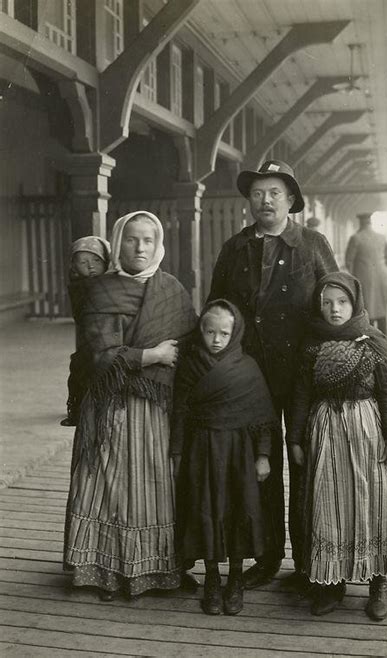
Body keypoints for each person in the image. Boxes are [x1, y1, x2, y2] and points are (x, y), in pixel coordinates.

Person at [207, 160, 338, 590]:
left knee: (304, 461)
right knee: (258, 466)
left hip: (304, 375)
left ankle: (308, 561)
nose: (265, 201)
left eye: (275, 193)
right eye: (258, 193)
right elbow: (217, 310)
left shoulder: (313, 244)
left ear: (291, 201)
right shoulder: (235, 248)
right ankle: (264, 557)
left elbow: (337, 302)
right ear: (249, 200)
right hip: (251, 377)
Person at [63, 211, 197, 601]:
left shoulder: (171, 288)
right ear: (117, 242)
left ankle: (156, 570)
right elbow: (97, 355)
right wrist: (151, 355)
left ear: (159, 246)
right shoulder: (101, 290)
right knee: (107, 483)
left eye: (148, 240)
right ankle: (102, 570)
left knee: (155, 485)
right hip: (110, 405)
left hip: (157, 409)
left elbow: (189, 344)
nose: (140, 248)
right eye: (131, 239)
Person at [288, 272, 387, 620]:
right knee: (331, 505)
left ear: (355, 302)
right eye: (327, 303)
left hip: (366, 431)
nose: (335, 309)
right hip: (327, 432)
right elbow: (300, 396)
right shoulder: (311, 345)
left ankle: (379, 582)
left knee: (374, 503)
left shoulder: (373, 341)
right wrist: (296, 439)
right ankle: (332, 583)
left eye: (342, 302)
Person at [171, 300, 279, 616]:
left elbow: (262, 417)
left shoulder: (248, 367)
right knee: (206, 509)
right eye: (209, 332)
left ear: (235, 333)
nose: (216, 339)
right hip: (202, 451)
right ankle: (212, 579)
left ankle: (235, 579)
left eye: (223, 333)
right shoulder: (190, 365)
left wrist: (263, 456)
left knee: (237, 511)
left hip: (239, 454)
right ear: (200, 331)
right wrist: (177, 451)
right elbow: (180, 410)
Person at [60, 236, 111, 427]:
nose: (90, 266)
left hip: (109, 337)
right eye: (83, 262)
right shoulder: (78, 286)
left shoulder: (112, 283)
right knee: (79, 370)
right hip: (89, 337)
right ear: (74, 266)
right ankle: (77, 410)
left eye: (96, 260)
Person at [345, 212, 387, 336]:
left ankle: (370, 340)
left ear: (360, 223)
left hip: (363, 278)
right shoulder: (382, 237)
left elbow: (348, 261)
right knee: (381, 309)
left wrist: (354, 275)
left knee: (366, 309)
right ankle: (383, 338)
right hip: (383, 277)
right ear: (371, 223)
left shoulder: (356, 238)